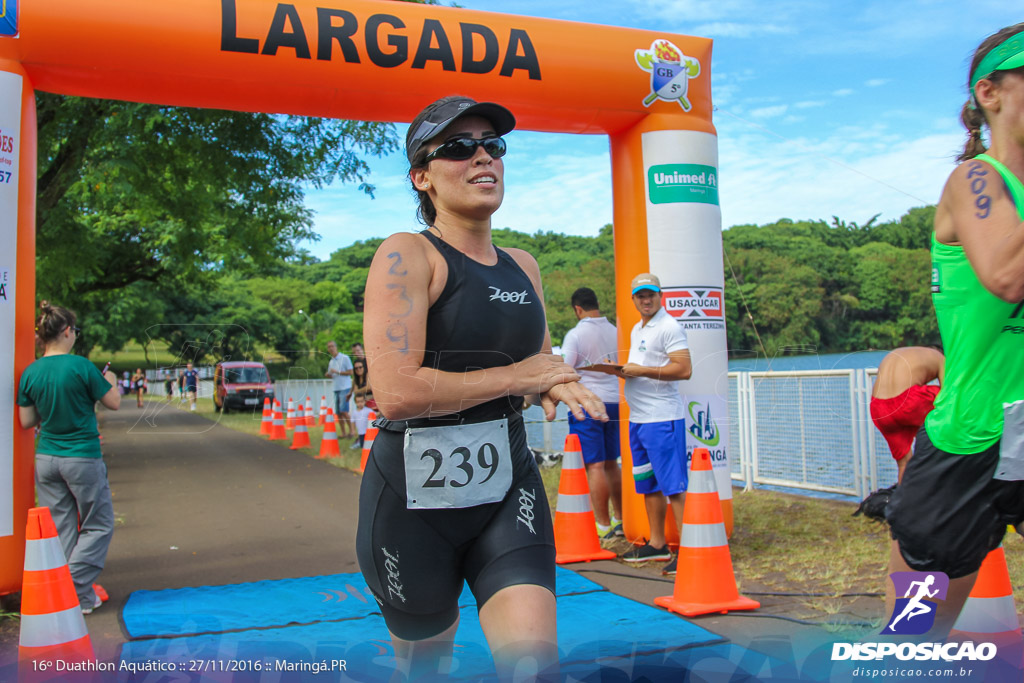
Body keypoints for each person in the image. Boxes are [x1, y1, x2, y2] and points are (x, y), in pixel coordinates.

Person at [356, 94, 606, 681]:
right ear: (422, 177)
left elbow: (535, 365)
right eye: (458, 148)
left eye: (492, 145)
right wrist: (526, 376)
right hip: (412, 502)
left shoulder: (524, 264)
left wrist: (554, 385)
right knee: (427, 669)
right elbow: (394, 391)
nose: (481, 157)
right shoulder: (408, 253)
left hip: (505, 489)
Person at [885, 23, 1024, 639]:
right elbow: (1006, 275)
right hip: (976, 432)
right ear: (990, 93)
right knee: (917, 628)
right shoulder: (976, 181)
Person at [16, 302, 121, 614]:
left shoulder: (31, 371)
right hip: (82, 457)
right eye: (75, 330)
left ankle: (77, 599)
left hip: (47, 457)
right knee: (99, 524)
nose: (75, 335)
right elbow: (113, 402)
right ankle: (70, 590)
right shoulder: (82, 367)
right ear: (65, 332)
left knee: (62, 527)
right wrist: (111, 379)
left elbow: (25, 421)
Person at [616, 273, 692, 577]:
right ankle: (658, 544)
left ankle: (689, 551)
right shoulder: (638, 328)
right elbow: (645, 368)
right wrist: (626, 372)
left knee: (674, 487)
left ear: (660, 295)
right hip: (639, 419)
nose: (646, 300)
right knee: (648, 484)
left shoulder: (669, 325)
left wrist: (641, 370)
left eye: (650, 295)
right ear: (633, 299)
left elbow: (684, 369)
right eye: (640, 296)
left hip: (662, 418)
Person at [561, 286, 624, 539]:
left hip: (588, 404)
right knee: (612, 463)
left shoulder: (575, 335)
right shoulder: (615, 331)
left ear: (578, 309)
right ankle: (620, 518)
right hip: (615, 401)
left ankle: (603, 524)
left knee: (595, 466)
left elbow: (565, 372)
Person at [869, 346, 944, 482]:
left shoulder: (910, 352)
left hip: (879, 408)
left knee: (904, 462)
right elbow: (949, 393)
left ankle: (903, 501)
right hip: (907, 402)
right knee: (951, 398)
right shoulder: (940, 358)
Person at [325, 340, 354, 438]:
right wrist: (329, 375)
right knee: (338, 413)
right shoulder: (331, 361)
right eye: (329, 347)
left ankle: (351, 431)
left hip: (345, 387)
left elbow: (350, 372)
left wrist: (337, 372)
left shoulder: (344, 358)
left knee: (344, 411)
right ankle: (343, 433)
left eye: (332, 346)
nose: (331, 348)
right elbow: (332, 375)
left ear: (336, 347)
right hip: (336, 388)